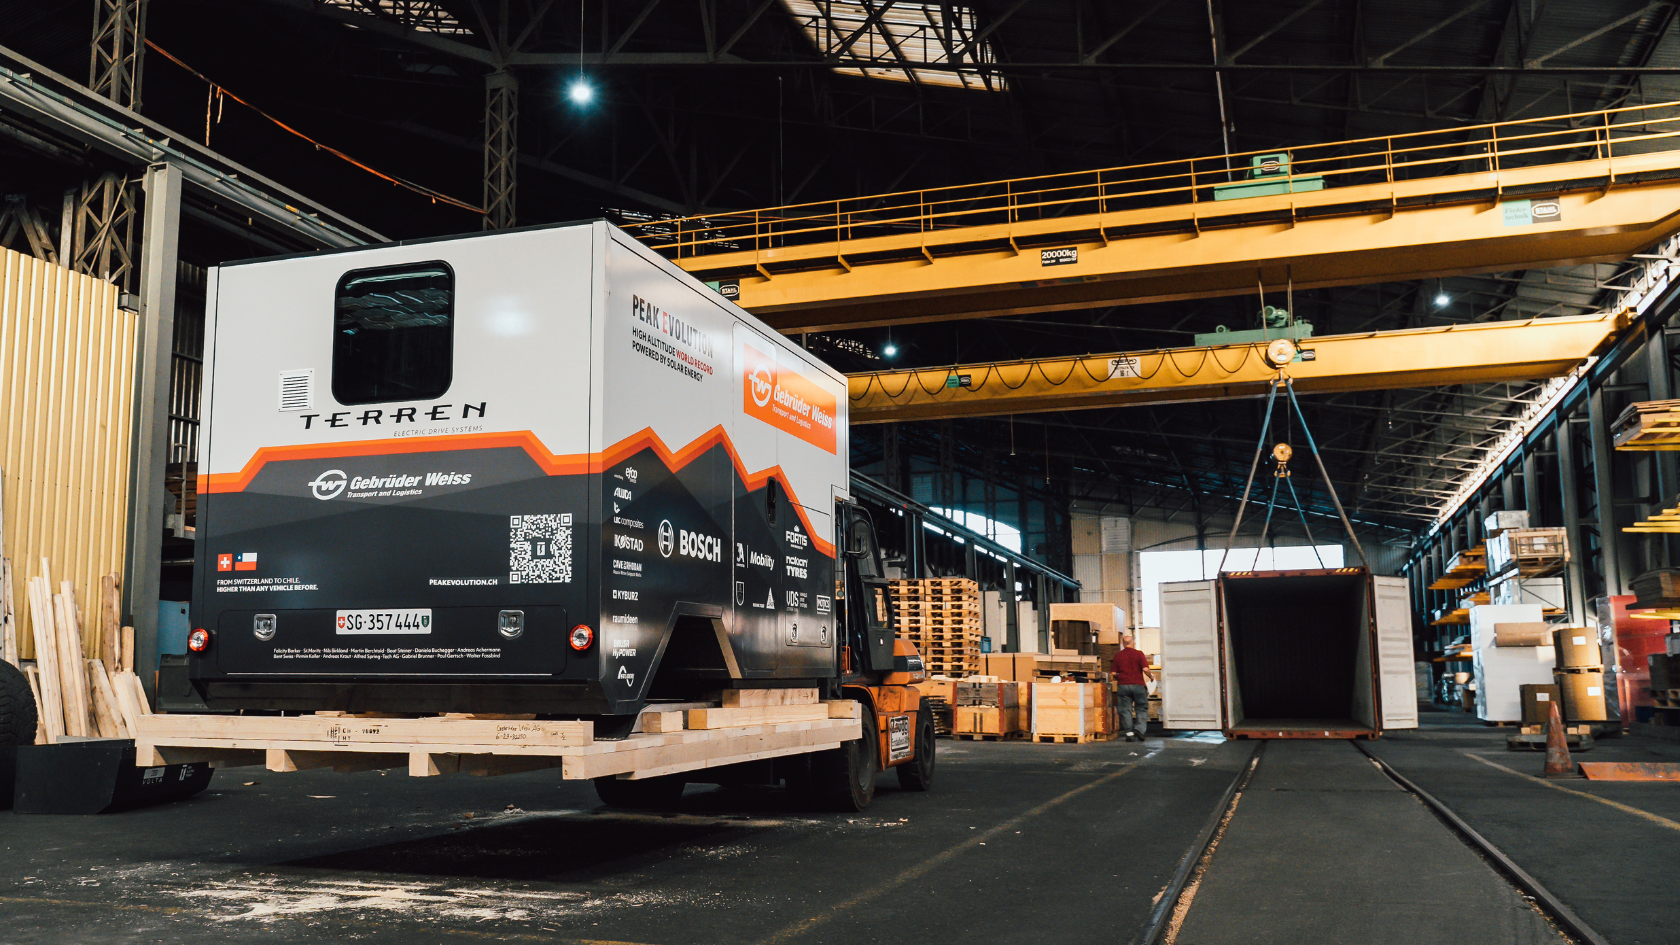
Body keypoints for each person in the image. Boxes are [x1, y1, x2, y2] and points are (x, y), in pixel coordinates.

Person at [1111, 633, 1154, 742]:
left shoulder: (1118, 655)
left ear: (1122, 643)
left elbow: (1113, 673)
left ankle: (1129, 733)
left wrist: (1120, 678)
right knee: (1141, 708)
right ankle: (1139, 729)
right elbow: (1145, 669)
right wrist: (1151, 677)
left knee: (1126, 710)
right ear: (1133, 642)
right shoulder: (1139, 654)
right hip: (1138, 685)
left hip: (1123, 686)